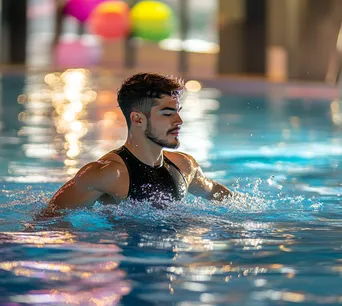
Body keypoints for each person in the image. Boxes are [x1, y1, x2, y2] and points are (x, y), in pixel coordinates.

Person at [45, 72, 233, 214]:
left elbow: (221, 197)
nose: (179, 121)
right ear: (138, 119)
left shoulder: (184, 167)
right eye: (168, 114)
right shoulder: (107, 174)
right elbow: (49, 221)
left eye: (178, 112)